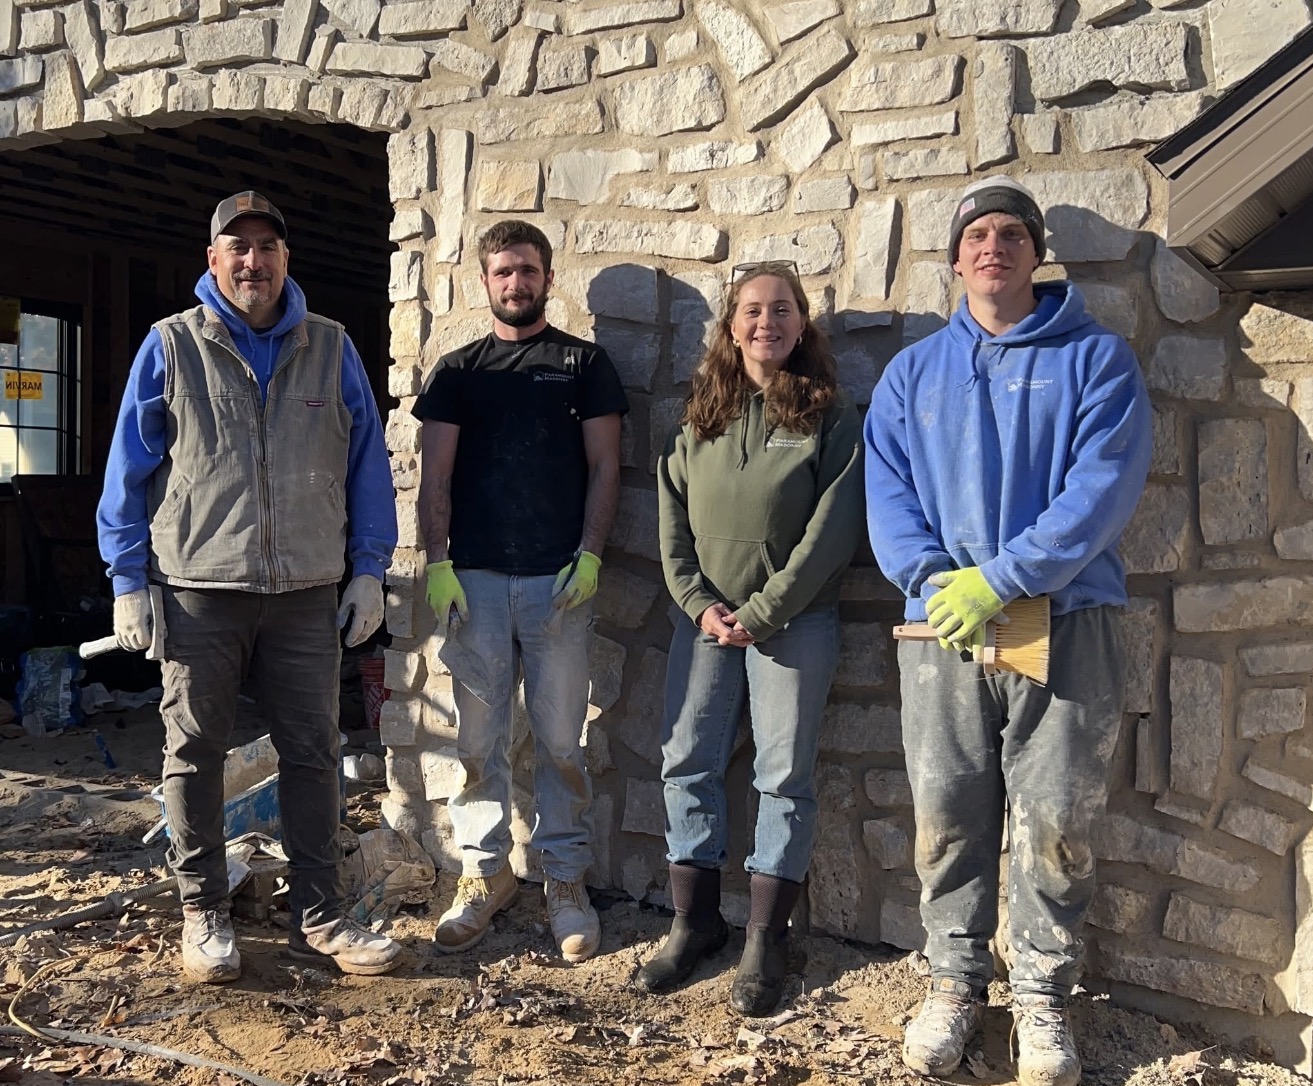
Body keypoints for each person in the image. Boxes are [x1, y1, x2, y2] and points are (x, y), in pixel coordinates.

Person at [865, 176, 1153, 1086]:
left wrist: (1004, 576)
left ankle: (1041, 994)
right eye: (977, 235)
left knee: (1058, 818)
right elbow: (888, 492)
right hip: (942, 629)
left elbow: (1101, 489)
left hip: (1067, 620)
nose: (994, 246)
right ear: (956, 259)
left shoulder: (1096, 361)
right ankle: (954, 982)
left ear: (1037, 252)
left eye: (1012, 234)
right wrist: (933, 580)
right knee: (947, 813)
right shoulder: (913, 375)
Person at [96, 190, 403, 983]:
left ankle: (320, 919)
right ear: (214, 260)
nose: (253, 261)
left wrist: (369, 568)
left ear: (286, 259)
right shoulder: (171, 346)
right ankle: (204, 911)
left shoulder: (331, 347)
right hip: (198, 588)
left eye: (267, 247)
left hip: (305, 591)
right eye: (238, 247)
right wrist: (128, 578)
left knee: (314, 752)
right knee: (194, 751)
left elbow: (367, 463)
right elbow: (127, 470)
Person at [638, 261, 865, 1016]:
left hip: (794, 622)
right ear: (731, 327)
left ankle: (767, 938)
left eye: (782, 309)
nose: (767, 321)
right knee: (687, 759)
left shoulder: (829, 415)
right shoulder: (701, 416)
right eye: (752, 310)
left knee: (783, 776)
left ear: (802, 324)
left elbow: (833, 529)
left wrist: (764, 610)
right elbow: (671, 519)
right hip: (705, 623)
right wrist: (698, 604)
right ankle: (695, 922)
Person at [417, 219, 627, 963]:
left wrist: (590, 556)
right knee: (479, 740)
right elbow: (436, 474)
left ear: (548, 277)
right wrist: (437, 562)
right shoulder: (458, 372)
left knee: (562, 742)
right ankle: (484, 873)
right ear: (485, 281)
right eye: (503, 271)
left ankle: (564, 880)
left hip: (558, 584)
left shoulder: (584, 365)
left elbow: (606, 467)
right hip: (473, 582)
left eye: (528, 270)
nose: (516, 283)